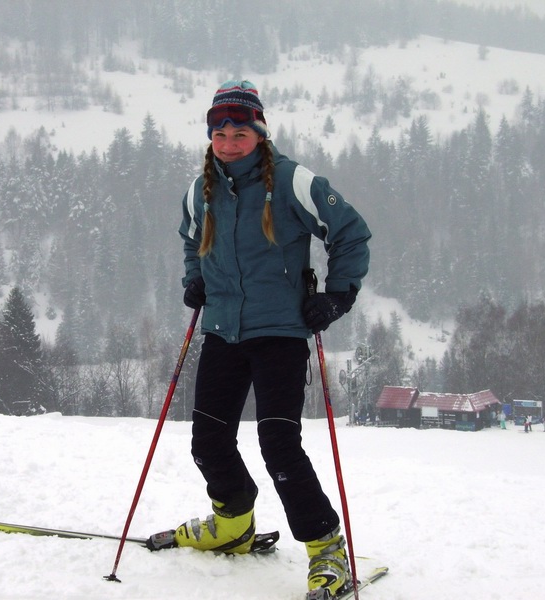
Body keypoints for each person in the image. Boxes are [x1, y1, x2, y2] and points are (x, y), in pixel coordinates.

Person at [175, 80, 370, 598]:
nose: (229, 142)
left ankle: (326, 547)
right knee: (208, 441)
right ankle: (233, 524)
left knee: (279, 445)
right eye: (220, 133)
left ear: (259, 133)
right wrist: (196, 278)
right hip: (222, 330)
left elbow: (349, 232)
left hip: (280, 333)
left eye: (240, 133)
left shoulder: (292, 181)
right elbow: (192, 240)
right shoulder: (200, 190)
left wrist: (338, 294)